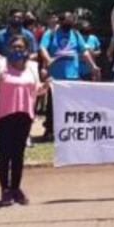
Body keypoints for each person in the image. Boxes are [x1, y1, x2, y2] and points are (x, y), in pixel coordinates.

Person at [0, 35, 48, 205]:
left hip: (24, 116)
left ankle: (16, 188)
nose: (17, 50)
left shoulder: (32, 68)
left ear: (27, 49)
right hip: (3, 116)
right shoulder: (0, 66)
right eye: (14, 46)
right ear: (8, 48)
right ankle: (5, 190)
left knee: (18, 154)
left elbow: (34, 91)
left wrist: (45, 87)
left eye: (21, 47)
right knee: (5, 154)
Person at [39, 11, 100, 141]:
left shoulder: (76, 34)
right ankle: (49, 130)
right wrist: (48, 59)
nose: (69, 24)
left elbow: (84, 52)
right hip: (56, 76)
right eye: (66, 21)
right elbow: (42, 48)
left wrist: (93, 66)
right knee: (52, 105)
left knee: (71, 104)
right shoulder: (50, 34)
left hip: (73, 75)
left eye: (71, 21)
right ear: (60, 22)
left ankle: (69, 129)